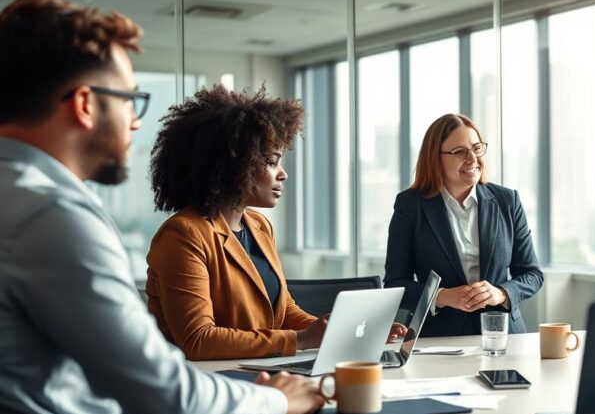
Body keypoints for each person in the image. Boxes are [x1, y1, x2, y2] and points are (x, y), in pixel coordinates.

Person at [0, 0, 325, 414]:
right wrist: (281, 398)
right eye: (130, 99)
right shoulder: (50, 216)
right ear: (85, 104)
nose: (133, 122)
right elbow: (171, 400)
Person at [146, 84, 404, 362]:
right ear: (232, 165)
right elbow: (198, 340)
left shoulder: (258, 226)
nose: (283, 175)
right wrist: (302, 340)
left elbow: (283, 312)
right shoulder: (184, 234)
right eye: (271, 162)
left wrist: (346, 332)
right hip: (207, 383)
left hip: (259, 370)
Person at [384, 113, 543, 338]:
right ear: (435, 158)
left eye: (477, 149)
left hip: (503, 336)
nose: (472, 159)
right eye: (459, 152)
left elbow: (532, 274)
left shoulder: (507, 201)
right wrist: (443, 296)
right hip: (440, 338)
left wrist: (501, 293)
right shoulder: (410, 206)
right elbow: (395, 284)